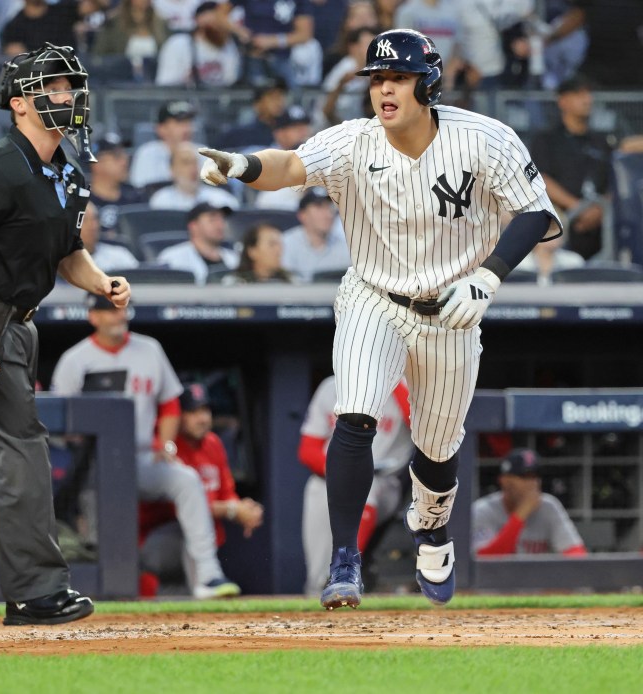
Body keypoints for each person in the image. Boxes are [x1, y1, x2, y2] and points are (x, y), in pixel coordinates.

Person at [198, 28, 562, 609]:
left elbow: (533, 212)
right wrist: (242, 164)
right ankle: (345, 560)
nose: (385, 89)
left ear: (428, 83)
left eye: (398, 78)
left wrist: (488, 275)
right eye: (377, 79)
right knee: (356, 413)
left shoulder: (484, 138)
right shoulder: (354, 142)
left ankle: (433, 529)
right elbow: (290, 164)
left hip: (453, 309)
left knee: (437, 449)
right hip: (375, 297)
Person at [0, 45, 130, 625]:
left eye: (70, 87)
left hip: (19, 327)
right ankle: (35, 592)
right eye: (55, 87)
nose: (68, 96)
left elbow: (68, 253)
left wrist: (99, 283)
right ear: (19, 104)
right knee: (25, 451)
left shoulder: (67, 171)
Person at [52, 296, 241, 599]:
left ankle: (208, 575)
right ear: (94, 316)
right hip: (94, 464)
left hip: (141, 454)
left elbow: (169, 403)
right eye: (110, 311)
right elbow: (60, 421)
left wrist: (166, 443)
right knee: (94, 531)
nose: (119, 315)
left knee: (187, 480)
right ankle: (92, 589)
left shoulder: (149, 349)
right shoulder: (76, 359)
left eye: (122, 309)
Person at [138, 382, 262, 595]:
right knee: (188, 530)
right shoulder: (166, 446)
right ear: (178, 416)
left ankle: (199, 593)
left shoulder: (213, 443)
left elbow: (226, 492)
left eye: (205, 410)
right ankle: (207, 583)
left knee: (179, 607)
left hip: (197, 548)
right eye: (193, 412)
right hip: (156, 542)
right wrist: (231, 510)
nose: (202, 418)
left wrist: (243, 508)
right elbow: (179, 509)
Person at [299, 375, 413, 596]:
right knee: (315, 489)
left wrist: (393, 380)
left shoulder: (409, 386)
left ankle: (344, 570)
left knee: (364, 488)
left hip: (383, 481)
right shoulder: (331, 386)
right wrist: (340, 473)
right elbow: (307, 448)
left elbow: (423, 425)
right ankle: (318, 588)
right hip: (330, 477)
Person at [531, 75, 615, 261]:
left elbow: (614, 182)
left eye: (589, 94)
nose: (587, 99)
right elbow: (540, 178)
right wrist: (577, 209)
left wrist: (600, 212)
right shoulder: (546, 139)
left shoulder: (601, 141)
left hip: (601, 222)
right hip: (561, 221)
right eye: (579, 94)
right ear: (563, 101)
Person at [473, 449, 586, 556]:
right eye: (525, 477)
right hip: (495, 576)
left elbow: (576, 554)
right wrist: (520, 515)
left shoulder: (548, 506)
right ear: (504, 480)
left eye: (535, 476)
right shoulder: (482, 510)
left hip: (537, 576)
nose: (533, 483)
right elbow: (484, 559)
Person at [155, 1, 240, 87]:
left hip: (217, 98)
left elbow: (230, 86)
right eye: (217, 20)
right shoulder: (179, 44)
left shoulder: (229, 47)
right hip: (184, 99)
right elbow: (166, 88)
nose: (222, 25)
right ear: (200, 20)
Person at [156, 202, 238, 284]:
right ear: (194, 226)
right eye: (212, 220)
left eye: (222, 219)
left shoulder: (235, 259)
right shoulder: (172, 257)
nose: (220, 225)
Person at [281, 187, 350, 282]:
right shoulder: (285, 244)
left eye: (330, 207)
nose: (328, 214)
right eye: (319, 207)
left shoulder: (345, 246)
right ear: (303, 215)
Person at [129, 100, 199, 190]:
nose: (186, 129)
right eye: (180, 123)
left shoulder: (203, 152)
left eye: (188, 122)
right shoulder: (147, 154)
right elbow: (141, 190)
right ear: (161, 129)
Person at [149, 142, 240, 211]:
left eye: (195, 162)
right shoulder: (161, 201)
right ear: (172, 170)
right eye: (186, 163)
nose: (192, 168)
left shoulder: (222, 200)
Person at [88, 133, 145, 237]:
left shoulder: (136, 197)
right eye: (117, 157)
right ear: (96, 164)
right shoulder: (81, 200)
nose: (125, 161)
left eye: (125, 155)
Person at [0, 0, 109, 56]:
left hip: (70, 73)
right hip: (39, 83)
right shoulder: (13, 27)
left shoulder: (63, 10)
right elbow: (19, 61)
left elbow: (98, 5)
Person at [92, 0, 169, 69]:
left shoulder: (160, 23)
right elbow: (100, 54)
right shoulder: (114, 23)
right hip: (119, 75)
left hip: (152, 74)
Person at [216, 77, 288, 151]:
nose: (279, 101)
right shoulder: (236, 136)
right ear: (257, 104)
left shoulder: (292, 133)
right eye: (272, 97)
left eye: (281, 96)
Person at [221, 222, 295, 285]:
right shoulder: (234, 283)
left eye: (280, 244)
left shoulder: (290, 281)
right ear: (252, 251)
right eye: (272, 244)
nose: (279, 250)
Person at [80, 202, 140, 272]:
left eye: (95, 218)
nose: (93, 226)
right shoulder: (65, 262)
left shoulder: (119, 255)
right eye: (84, 220)